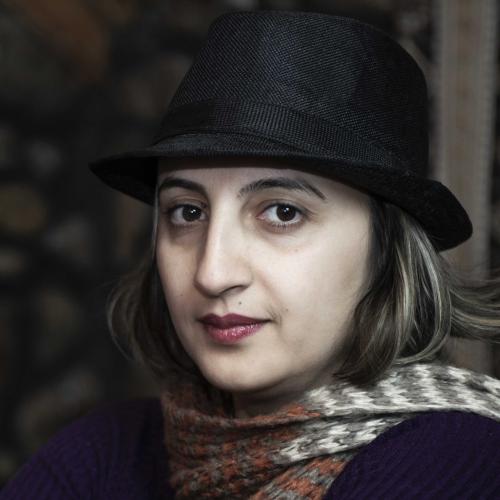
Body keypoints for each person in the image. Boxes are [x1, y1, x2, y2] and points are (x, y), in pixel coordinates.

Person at [2, 9, 500, 500]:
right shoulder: (104, 452)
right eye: (187, 212)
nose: (212, 273)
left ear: (387, 249)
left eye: (283, 212)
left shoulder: (455, 458)